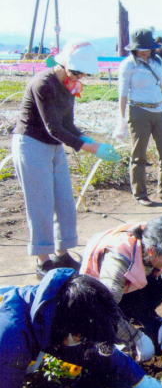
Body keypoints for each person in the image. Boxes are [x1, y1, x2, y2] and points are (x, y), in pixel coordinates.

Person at [12, 41, 120, 277]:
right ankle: (43, 260)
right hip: (31, 144)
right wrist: (91, 149)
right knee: (40, 203)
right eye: (75, 72)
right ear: (62, 64)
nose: (78, 77)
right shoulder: (43, 83)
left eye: (83, 74)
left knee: (64, 202)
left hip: (54, 148)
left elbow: (68, 125)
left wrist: (93, 141)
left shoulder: (70, 85)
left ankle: (62, 253)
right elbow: (53, 128)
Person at [0, 269, 162, 388]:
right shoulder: (10, 344)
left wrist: (140, 380)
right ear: (70, 330)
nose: (84, 342)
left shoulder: (51, 309)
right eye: (82, 337)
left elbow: (89, 350)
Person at [80, 215, 162, 361]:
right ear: (152, 251)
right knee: (107, 320)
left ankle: (143, 315)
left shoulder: (159, 247)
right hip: (101, 297)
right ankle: (110, 337)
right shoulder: (118, 263)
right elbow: (104, 311)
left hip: (130, 283)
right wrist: (136, 338)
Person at [113, 28, 162, 207]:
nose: (145, 51)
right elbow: (123, 93)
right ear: (134, 48)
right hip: (139, 111)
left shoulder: (157, 61)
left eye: (147, 48)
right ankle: (140, 193)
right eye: (141, 48)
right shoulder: (128, 65)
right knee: (139, 155)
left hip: (160, 110)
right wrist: (121, 119)